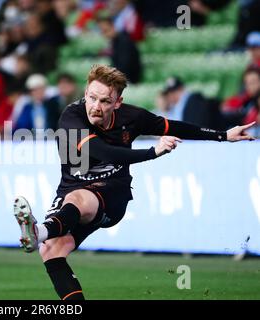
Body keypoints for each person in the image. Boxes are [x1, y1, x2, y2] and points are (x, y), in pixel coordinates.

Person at [13, 64, 255, 300]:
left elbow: (173, 126)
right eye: (92, 98)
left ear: (117, 102)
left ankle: (39, 231)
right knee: (52, 250)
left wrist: (223, 135)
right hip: (71, 188)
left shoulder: (132, 117)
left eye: (105, 101)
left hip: (112, 194)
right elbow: (103, 152)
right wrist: (152, 152)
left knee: (78, 200)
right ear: (85, 93)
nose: (96, 107)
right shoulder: (71, 117)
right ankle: (44, 241)